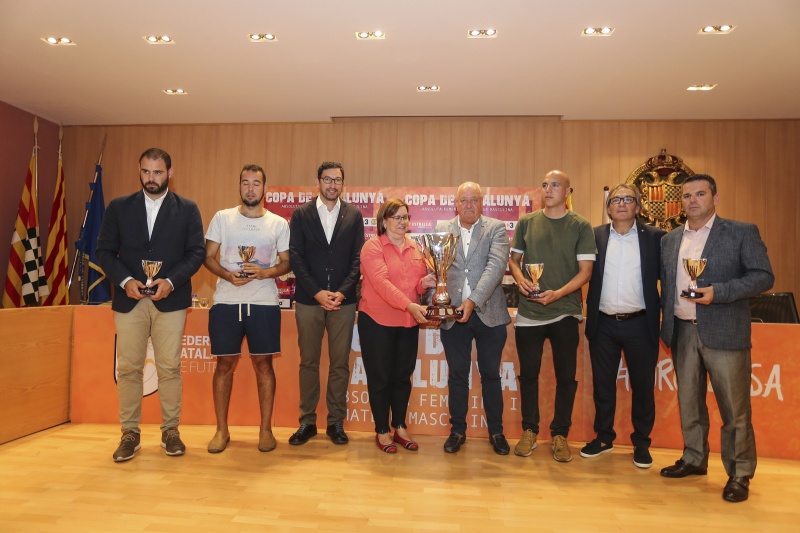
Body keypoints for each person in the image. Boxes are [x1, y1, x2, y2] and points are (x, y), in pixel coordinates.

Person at [659, 174, 773, 503]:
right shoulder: (670, 240)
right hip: (681, 331)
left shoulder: (740, 232)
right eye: (686, 195)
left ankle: (739, 472)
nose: (692, 200)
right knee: (689, 403)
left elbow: (763, 276)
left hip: (724, 330)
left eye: (700, 194)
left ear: (715, 198)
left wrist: (718, 293)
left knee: (734, 410)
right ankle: (694, 458)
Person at [97, 147, 205, 462]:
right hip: (129, 300)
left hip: (170, 300)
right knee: (129, 368)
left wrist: (169, 281)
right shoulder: (118, 207)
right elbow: (104, 251)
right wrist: (124, 281)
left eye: (158, 172)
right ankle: (129, 433)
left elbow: (196, 252)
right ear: (139, 170)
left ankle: (171, 431)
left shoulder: (187, 209)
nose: (151, 178)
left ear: (169, 173)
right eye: (146, 172)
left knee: (169, 368)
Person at [508, 170, 595, 462]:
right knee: (528, 375)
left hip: (565, 312)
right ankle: (530, 430)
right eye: (545, 185)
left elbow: (586, 272)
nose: (548, 189)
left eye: (555, 185)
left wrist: (557, 294)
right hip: (529, 313)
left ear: (568, 191)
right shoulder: (526, 222)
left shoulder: (581, 225)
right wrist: (519, 278)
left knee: (566, 377)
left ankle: (560, 434)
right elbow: (514, 260)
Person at [202, 164, 290, 454]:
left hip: (263, 302)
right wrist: (228, 276)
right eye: (245, 183)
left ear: (265, 188)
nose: (250, 188)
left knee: (263, 365)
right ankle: (221, 430)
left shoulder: (278, 223)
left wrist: (265, 273)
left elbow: (287, 262)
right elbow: (208, 256)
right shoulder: (222, 218)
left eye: (256, 183)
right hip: (227, 301)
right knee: (224, 365)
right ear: (239, 186)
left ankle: (265, 430)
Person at [582, 184, 666, 468]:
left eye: (628, 199)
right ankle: (604, 438)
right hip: (603, 323)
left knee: (643, 387)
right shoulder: (594, 236)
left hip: (640, 324)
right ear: (608, 207)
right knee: (603, 386)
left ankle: (641, 443)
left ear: (638, 207)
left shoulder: (655, 238)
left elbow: (667, 279)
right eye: (616, 200)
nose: (621, 204)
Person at [288, 162, 365, 445]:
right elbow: (295, 257)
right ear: (318, 181)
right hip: (310, 301)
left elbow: (358, 259)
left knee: (339, 364)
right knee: (308, 362)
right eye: (327, 179)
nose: (333, 184)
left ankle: (335, 423)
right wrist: (318, 292)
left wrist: (342, 292)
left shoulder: (354, 214)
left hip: (344, 302)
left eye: (338, 180)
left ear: (344, 183)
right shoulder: (301, 214)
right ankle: (307, 421)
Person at [435, 182, 512, 455]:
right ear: (455, 203)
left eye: (474, 200)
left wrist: (472, 301)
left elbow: (495, 268)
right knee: (457, 376)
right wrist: (435, 292)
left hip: (489, 313)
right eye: (464, 200)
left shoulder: (496, 228)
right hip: (453, 315)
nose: (469, 205)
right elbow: (438, 269)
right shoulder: (443, 229)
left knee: (491, 375)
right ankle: (457, 431)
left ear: (482, 203)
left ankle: (497, 432)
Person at [359, 198, 437, 453]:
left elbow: (412, 286)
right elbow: (382, 284)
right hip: (377, 321)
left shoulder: (416, 248)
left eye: (406, 217)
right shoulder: (372, 247)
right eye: (398, 218)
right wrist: (410, 305)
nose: (403, 222)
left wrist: (424, 285)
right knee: (380, 377)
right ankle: (382, 430)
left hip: (407, 322)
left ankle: (400, 427)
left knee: (402, 377)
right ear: (384, 221)